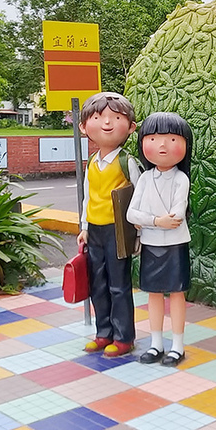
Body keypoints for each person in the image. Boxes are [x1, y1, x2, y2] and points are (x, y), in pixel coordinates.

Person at [76, 92, 141, 357]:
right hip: (95, 231)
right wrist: (83, 226)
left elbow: (139, 197)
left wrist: (138, 233)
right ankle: (103, 333)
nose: (106, 123)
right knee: (98, 284)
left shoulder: (128, 163)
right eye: (98, 117)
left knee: (119, 285)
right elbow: (87, 196)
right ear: (84, 126)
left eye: (116, 117)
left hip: (118, 231)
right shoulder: (92, 162)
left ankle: (124, 337)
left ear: (131, 127)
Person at [126, 112, 193, 367]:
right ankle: (156, 343)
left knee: (177, 294)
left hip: (175, 245)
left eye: (172, 139)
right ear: (143, 142)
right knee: (153, 294)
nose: (162, 146)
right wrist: (156, 221)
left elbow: (177, 214)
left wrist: (149, 219)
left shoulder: (180, 179)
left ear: (186, 144)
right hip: (151, 246)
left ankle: (177, 345)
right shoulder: (144, 178)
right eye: (153, 138)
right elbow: (131, 213)